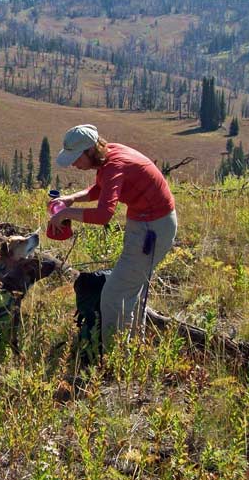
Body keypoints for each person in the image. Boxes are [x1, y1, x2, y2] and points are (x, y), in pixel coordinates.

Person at [48, 124, 176, 349]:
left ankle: (113, 359)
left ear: (90, 151)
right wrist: (71, 199)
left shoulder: (115, 164)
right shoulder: (109, 155)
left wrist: (67, 213)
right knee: (130, 289)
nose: (74, 165)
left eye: (76, 158)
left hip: (153, 229)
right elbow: (102, 188)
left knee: (114, 295)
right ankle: (132, 347)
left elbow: (103, 215)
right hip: (145, 223)